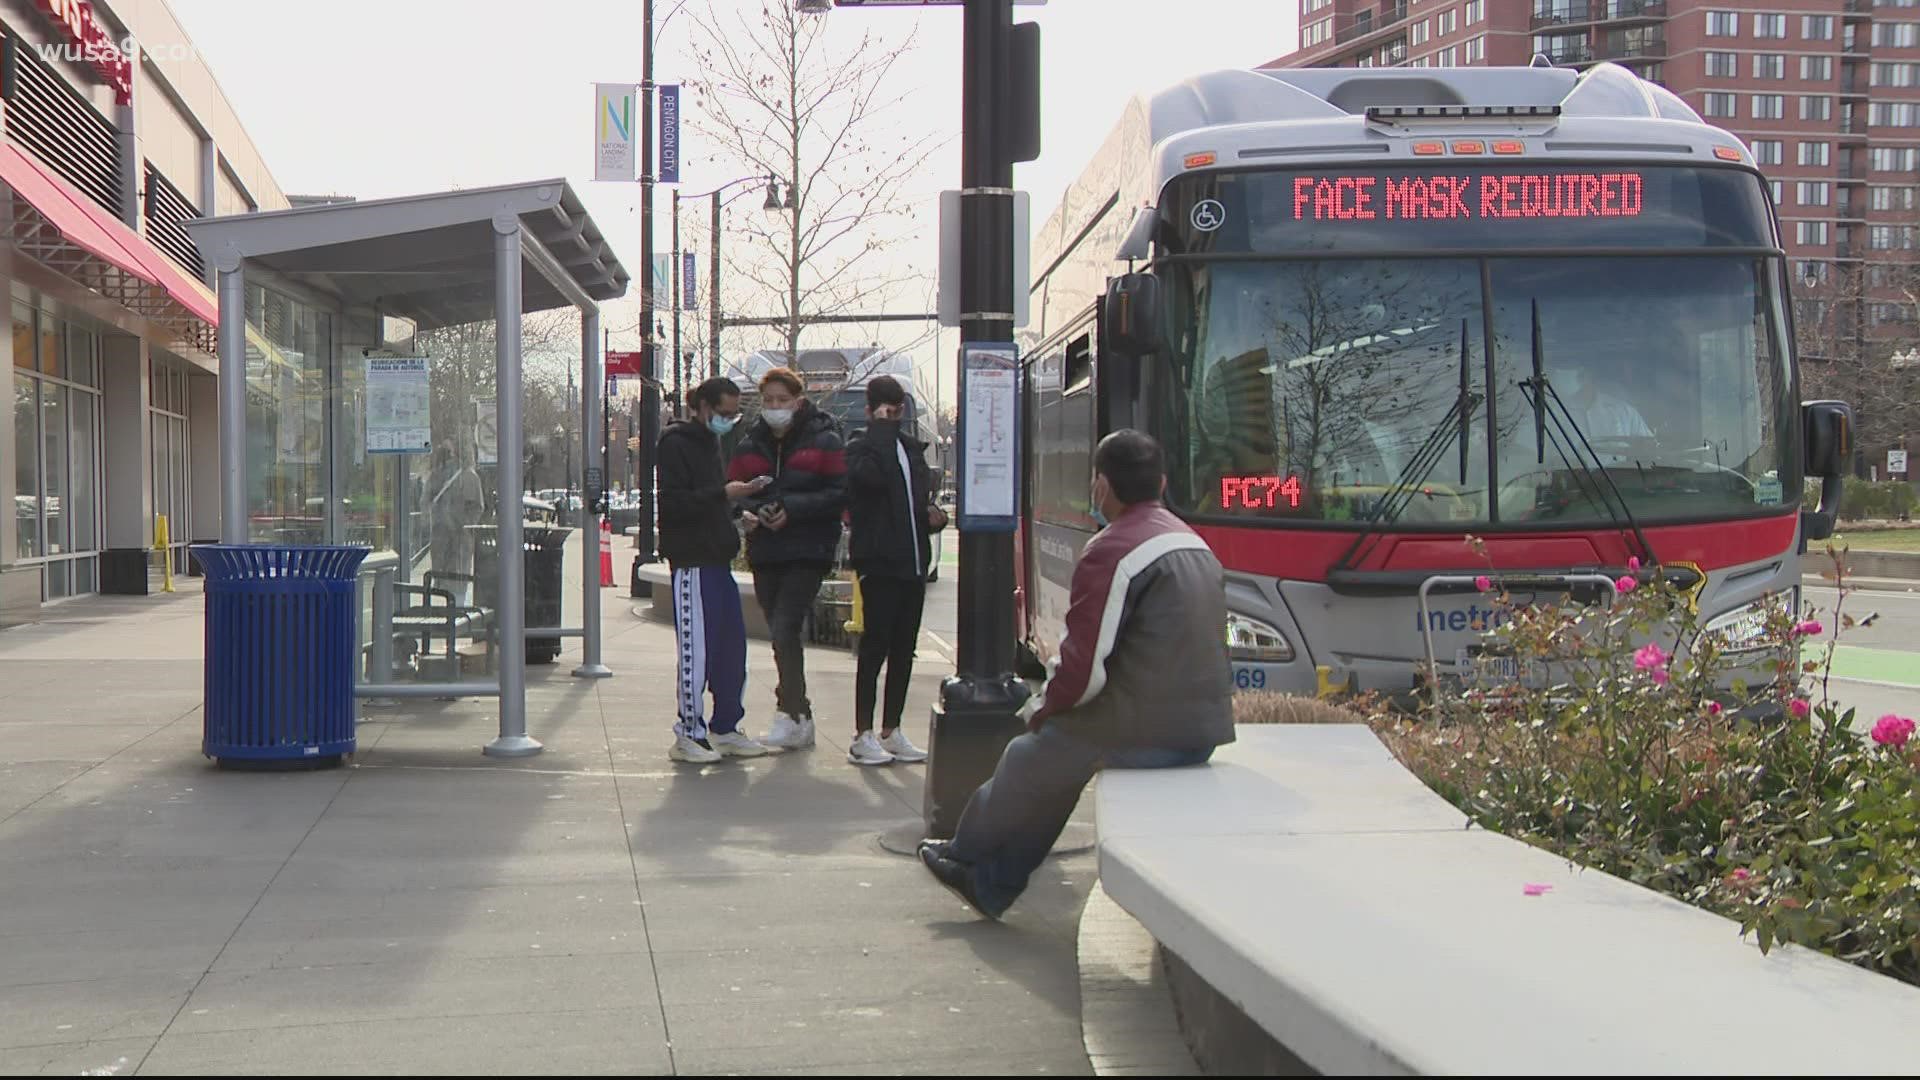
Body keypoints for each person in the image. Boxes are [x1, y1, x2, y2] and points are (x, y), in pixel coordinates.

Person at [918, 430, 1235, 919]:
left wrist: (1040, 711)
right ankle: (989, 885)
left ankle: (964, 854)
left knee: (1028, 754)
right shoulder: (1190, 540)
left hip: (1146, 728)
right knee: (1059, 766)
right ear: (1163, 482)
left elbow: (1083, 667)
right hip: (1201, 727)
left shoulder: (1115, 548)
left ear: (1102, 485)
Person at [727, 368, 849, 752]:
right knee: (780, 632)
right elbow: (735, 490)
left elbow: (839, 491)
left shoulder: (824, 439)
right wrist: (750, 510)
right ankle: (800, 715)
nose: (775, 408)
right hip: (766, 550)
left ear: (798, 401)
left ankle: (791, 712)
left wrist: (792, 509)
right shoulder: (750, 445)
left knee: (784, 627)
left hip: (808, 548)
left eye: (782, 400)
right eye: (769, 401)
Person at [657, 377, 775, 764]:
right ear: (702, 406)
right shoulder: (675, 444)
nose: (729, 420)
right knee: (698, 652)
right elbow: (675, 503)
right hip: (691, 561)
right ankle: (689, 733)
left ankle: (724, 727)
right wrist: (726, 495)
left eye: (733, 413)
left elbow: (707, 500)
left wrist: (740, 514)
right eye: (724, 413)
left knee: (730, 649)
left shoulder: (710, 443)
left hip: (716, 558)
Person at [844, 376, 948, 767]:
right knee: (875, 648)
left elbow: (915, 503)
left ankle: (892, 729)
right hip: (879, 563)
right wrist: (882, 432)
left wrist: (933, 518)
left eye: (896, 409)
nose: (892, 416)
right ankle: (862, 734)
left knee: (904, 648)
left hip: (912, 562)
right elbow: (869, 483)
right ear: (871, 412)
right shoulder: (862, 447)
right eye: (884, 410)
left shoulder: (911, 450)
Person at [427, 438, 483, 605]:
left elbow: (425, 502)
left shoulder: (436, 475)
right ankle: (455, 614)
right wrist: (463, 524)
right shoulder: (470, 477)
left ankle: (445, 612)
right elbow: (477, 508)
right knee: (458, 578)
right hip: (459, 537)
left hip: (442, 535)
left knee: (443, 576)